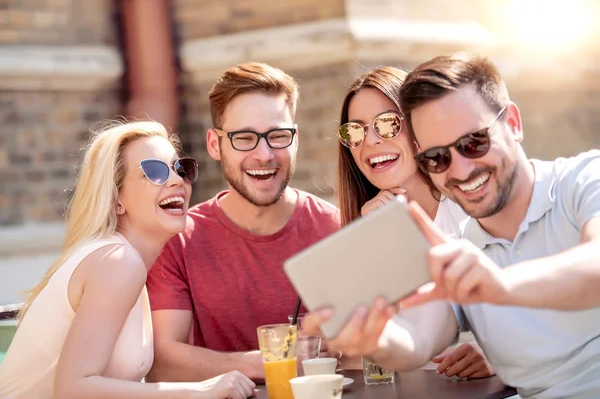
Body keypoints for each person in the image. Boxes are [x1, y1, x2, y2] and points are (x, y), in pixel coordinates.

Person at [304, 53, 600, 399]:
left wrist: (501, 287)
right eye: (437, 157)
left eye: (473, 142)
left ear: (514, 124)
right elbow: (418, 340)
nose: (459, 170)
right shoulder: (459, 246)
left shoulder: (582, 180)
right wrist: (377, 339)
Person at [0, 121, 256, 399]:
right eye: (154, 172)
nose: (175, 180)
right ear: (115, 200)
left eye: (180, 168)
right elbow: (72, 388)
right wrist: (200, 391)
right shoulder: (117, 262)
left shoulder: (123, 261)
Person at [145, 62, 340, 383]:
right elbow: (163, 360)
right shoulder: (178, 240)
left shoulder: (335, 229)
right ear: (214, 144)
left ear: (296, 140)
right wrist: (265, 363)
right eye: (244, 138)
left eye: (278, 135)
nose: (264, 154)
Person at [335, 66, 493, 378]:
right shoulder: (368, 225)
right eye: (354, 131)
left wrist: (499, 356)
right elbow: (357, 358)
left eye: (388, 124)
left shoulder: (473, 203)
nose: (371, 141)